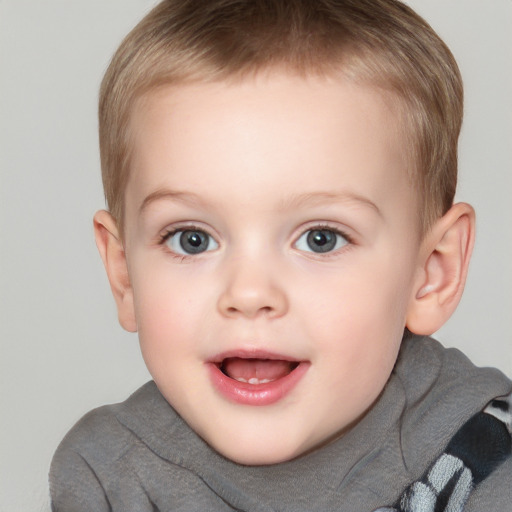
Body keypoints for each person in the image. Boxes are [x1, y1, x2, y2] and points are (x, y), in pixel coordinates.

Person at [49, 1, 512, 510]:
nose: (249, 293)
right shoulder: (109, 475)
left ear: (432, 272)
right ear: (124, 275)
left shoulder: (483, 454)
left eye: (321, 238)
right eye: (192, 239)